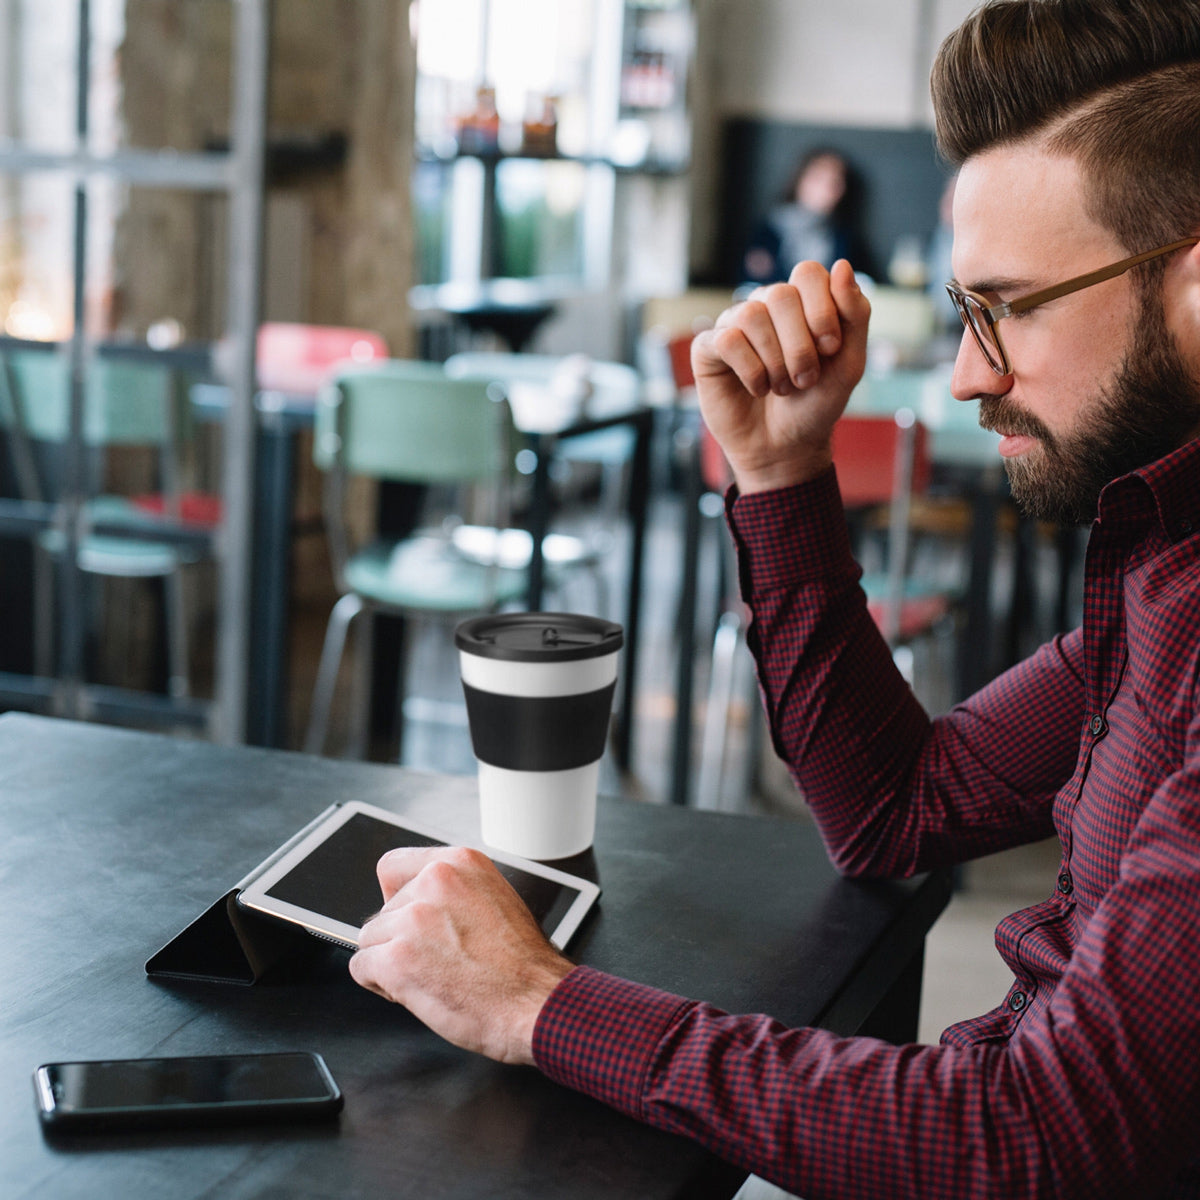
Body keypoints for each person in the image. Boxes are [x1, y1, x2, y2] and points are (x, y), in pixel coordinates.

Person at [348, 1, 1200, 1195]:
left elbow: (1039, 1140)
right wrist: (782, 468)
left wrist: (539, 1004)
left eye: (1006, 308)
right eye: (967, 315)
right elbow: (895, 807)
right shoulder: (1163, 571)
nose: (967, 374)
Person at [741, 148, 872, 285]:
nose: (826, 189)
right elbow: (750, 280)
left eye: (835, 182)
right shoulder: (768, 231)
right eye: (818, 179)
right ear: (800, 180)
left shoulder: (844, 238)